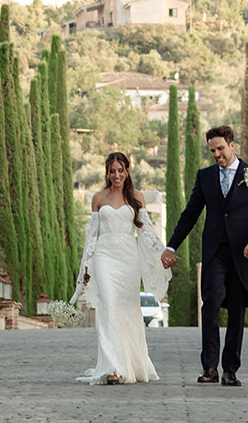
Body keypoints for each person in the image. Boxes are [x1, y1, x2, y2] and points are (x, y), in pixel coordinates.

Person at [162, 123, 248, 387]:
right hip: (215, 253)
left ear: (232, 145)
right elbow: (190, 214)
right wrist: (171, 246)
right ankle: (209, 367)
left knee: (237, 310)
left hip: (243, 253)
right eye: (212, 150)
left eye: (220, 149)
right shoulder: (205, 177)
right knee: (210, 306)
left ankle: (230, 369)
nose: (216, 155)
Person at [72, 151, 169, 384]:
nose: (116, 175)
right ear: (107, 173)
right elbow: (91, 237)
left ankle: (131, 363)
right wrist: (86, 266)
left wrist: (163, 251)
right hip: (105, 257)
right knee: (108, 307)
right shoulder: (98, 198)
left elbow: (147, 231)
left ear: (127, 171)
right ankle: (112, 367)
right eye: (112, 171)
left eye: (120, 170)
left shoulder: (137, 198)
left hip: (128, 259)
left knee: (127, 309)